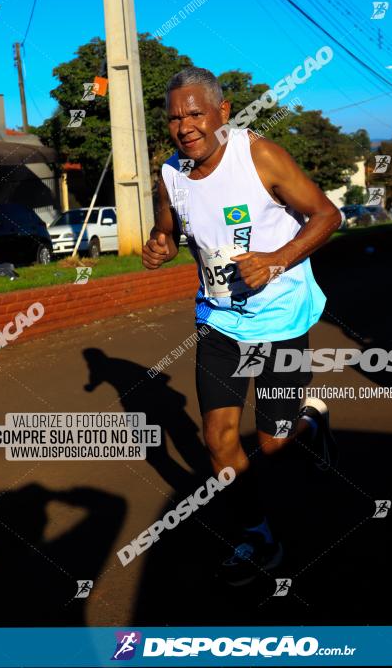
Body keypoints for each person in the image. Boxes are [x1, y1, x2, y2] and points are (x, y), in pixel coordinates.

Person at [142, 67, 342, 585]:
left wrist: (275, 260)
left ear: (222, 113)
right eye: (174, 118)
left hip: (280, 317)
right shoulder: (170, 174)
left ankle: (310, 422)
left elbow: (326, 215)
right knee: (218, 439)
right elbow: (166, 227)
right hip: (220, 321)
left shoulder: (259, 156)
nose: (185, 127)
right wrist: (160, 244)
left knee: (273, 442)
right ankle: (257, 533)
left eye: (195, 114)